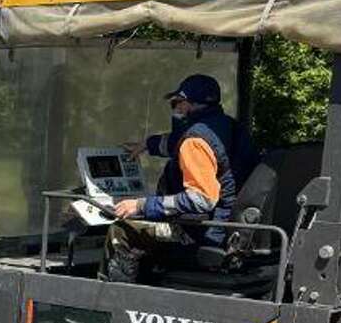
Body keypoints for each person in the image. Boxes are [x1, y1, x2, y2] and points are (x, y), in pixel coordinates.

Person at [104, 73, 257, 283]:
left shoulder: (194, 141)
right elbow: (182, 143)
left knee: (122, 229)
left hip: (203, 233)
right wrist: (147, 145)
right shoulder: (226, 126)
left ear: (187, 103)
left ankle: (111, 300)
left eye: (177, 103)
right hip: (232, 228)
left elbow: (201, 199)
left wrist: (141, 205)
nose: (175, 108)